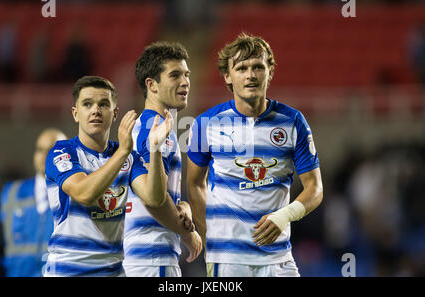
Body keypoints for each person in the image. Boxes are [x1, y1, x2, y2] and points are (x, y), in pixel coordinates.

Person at [186, 33, 323, 277]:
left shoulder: (293, 121)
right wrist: (209, 237)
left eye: (258, 67)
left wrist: (284, 216)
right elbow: (195, 183)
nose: (250, 75)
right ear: (228, 76)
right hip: (228, 259)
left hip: (278, 257)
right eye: (241, 68)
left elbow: (315, 189)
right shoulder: (204, 123)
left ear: (270, 71)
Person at [44, 76, 201, 277]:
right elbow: (84, 193)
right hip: (69, 270)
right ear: (76, 114)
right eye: (87, 104)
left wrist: (154, 149)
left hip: (114, 270)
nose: (95, 110)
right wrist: (121, 154)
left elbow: (154, 198)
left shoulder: (128, 157)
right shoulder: (62, 152)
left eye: (103, 104)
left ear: (115, 113)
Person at [123, 41, 201, 277]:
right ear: (152, 85)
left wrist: (183, 206)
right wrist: (188, 233)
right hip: (152, 259)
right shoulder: (153, 130)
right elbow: (153, 198)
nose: (185, 82)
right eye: (175, 75)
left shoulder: (146, 127)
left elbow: (159, 193)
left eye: (186, 75)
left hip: (140, 258)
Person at [0, 128, 67, 277]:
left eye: (52, 150)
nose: (44, 155)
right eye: (40, 149)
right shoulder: (12, 194)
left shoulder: (77, 198)